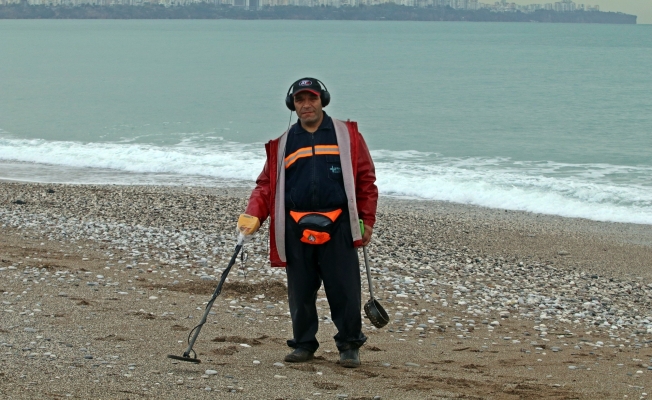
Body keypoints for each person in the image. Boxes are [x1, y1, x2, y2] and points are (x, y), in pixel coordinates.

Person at [237, 77, 378, 368]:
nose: (306, 105)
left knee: (344, 289)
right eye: (300, 100)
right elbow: (266, 185)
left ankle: (349, 345)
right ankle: (303, 344)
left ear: (322, 100)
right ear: (292, 105)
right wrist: (253, 215)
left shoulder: (347, 136)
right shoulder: (283, 144)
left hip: (339, 225)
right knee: (300, 291)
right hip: (295, 226)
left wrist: (367, 219)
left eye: (311, 98)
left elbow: (365, 180)